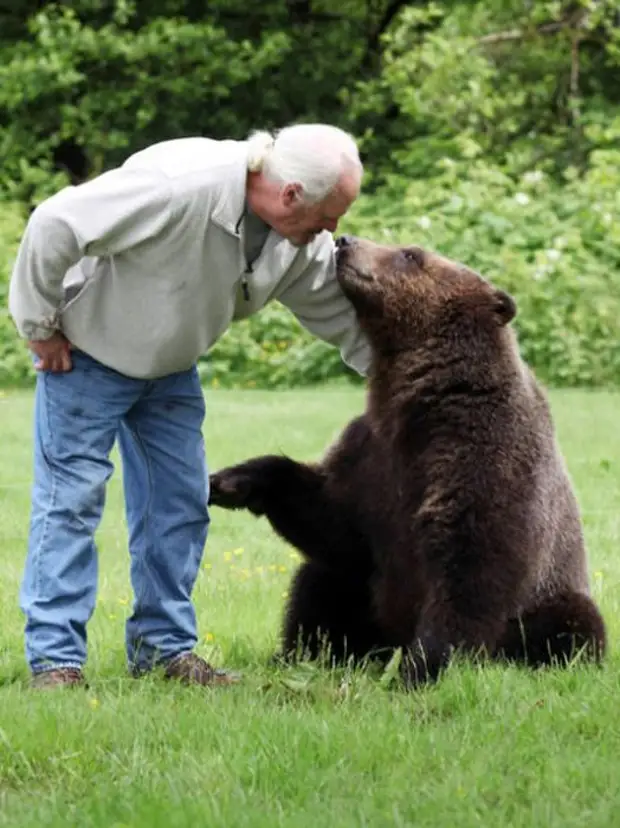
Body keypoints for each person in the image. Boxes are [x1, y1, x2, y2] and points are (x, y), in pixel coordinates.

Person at [7, 123, 371, 689]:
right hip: (84, 358)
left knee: (179, 506)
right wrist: (39, 326)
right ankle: (55, 662)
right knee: (70, 505)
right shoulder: (178, 187)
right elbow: (55, 222)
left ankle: (162, 650)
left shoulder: (296, 240)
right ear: (291, 193)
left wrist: (414, 389)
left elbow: (344, 319)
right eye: (330, 212)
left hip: (171, 368)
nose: (335, 228)